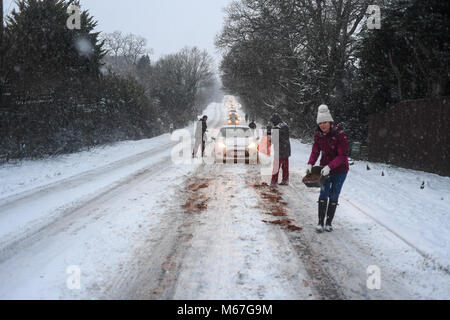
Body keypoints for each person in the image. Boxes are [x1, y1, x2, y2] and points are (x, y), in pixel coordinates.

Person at [306, 105, 349, 233]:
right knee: (323, 193)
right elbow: (315, 151)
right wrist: (310, 164)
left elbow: (342, 155)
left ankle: (329, 222)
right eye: (320, 123)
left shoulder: (340, 135)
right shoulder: (318, 135)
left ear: (330, 121)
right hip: (324, 169)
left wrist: (330, 166)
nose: (323, 125)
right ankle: (320, 222)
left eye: (325, 122)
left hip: (340, 170)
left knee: (334, 194)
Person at [270, 113, 291, 186]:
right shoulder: (285, 125)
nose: (272, 123)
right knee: (285, 166)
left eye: (272, 121)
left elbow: (274, 140)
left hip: (279, 150)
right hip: (286, 149)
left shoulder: (276, 128)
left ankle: (274, 182)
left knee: (276, 167)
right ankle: (285, 180)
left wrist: (270, 139)